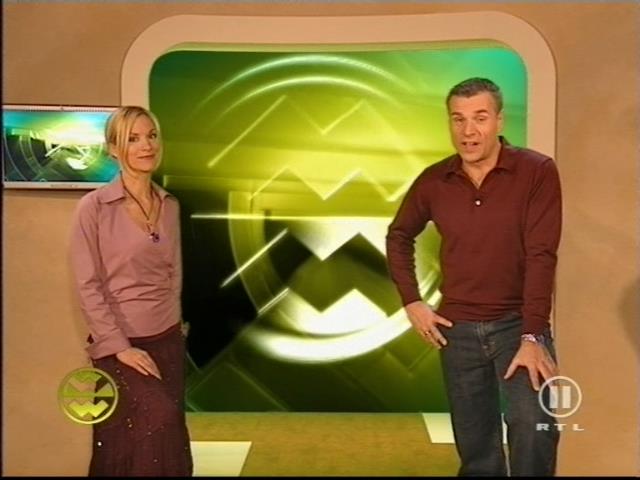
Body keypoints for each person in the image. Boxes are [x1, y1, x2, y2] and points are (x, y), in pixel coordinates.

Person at [386, 78, 562, 476]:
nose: (468, 131)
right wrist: (412, 301)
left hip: (518, 326)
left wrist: (533, 335)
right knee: (476, 447)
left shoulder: (536, 171)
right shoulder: (434, 180)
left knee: (533, 429)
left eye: (480, 118)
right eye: (458, 119)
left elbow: (541, 255)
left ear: (499, 120)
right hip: (458, 330)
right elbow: (399, 236)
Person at [69, 106, 193, 476]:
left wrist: (177, 326)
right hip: (120, 347)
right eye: (133, 139)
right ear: (113, 149)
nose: (146, 146)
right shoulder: (93, 208)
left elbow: (173, 273)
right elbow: (88, 285)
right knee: (148, 428)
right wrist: (120, 347)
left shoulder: (169, 205)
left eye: (151, 136)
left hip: (167, 341)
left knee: (168, 441)